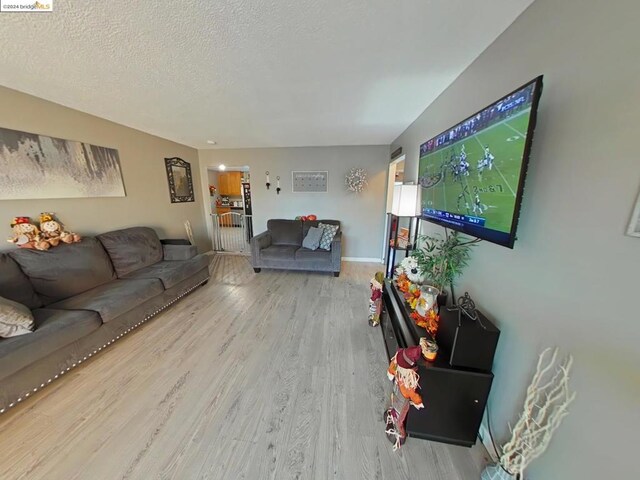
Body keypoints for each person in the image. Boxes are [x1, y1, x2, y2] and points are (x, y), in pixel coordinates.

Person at [384, 346, 424, 450]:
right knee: (395, 406)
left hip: (401, 397)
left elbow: (393, 367)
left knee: (399, 417)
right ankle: (393, 418)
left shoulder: (407, 382)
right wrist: (418, 402)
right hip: (398, 393)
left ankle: (400, 435)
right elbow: (394, 365)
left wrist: (417, 402)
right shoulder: (403, 373)